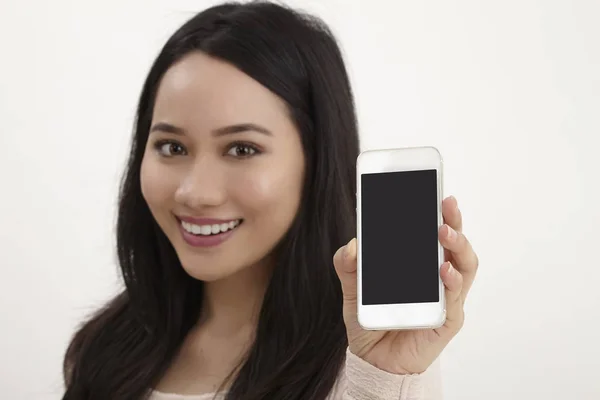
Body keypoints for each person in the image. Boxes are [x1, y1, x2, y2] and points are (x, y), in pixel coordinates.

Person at [61, 1, 479, 399]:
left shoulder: (370, 363)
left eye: (241, 149)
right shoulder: (104, 350)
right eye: (171, 147)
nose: (194, 192)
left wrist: (386, 382)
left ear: (316, 162)